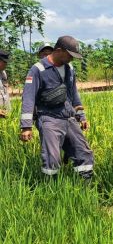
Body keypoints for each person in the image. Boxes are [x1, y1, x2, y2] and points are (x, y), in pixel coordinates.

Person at [19, 36, 94, 179]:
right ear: (59, 50)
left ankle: (87, 187)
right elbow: (28, 98)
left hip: (69, 118)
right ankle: (51, 190)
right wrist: (26, 126)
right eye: (70, 55)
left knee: (83, 152)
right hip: (49, 119)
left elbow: (74, 94)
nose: (72, 59)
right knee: (52, 158)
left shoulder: (70, 68)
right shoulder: (38, 70)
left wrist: (81, 115)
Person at [0, 50, 10, 118]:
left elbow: (5, 92)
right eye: (5, 62)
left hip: (5, 112)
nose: (6, 64)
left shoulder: (3, 73)